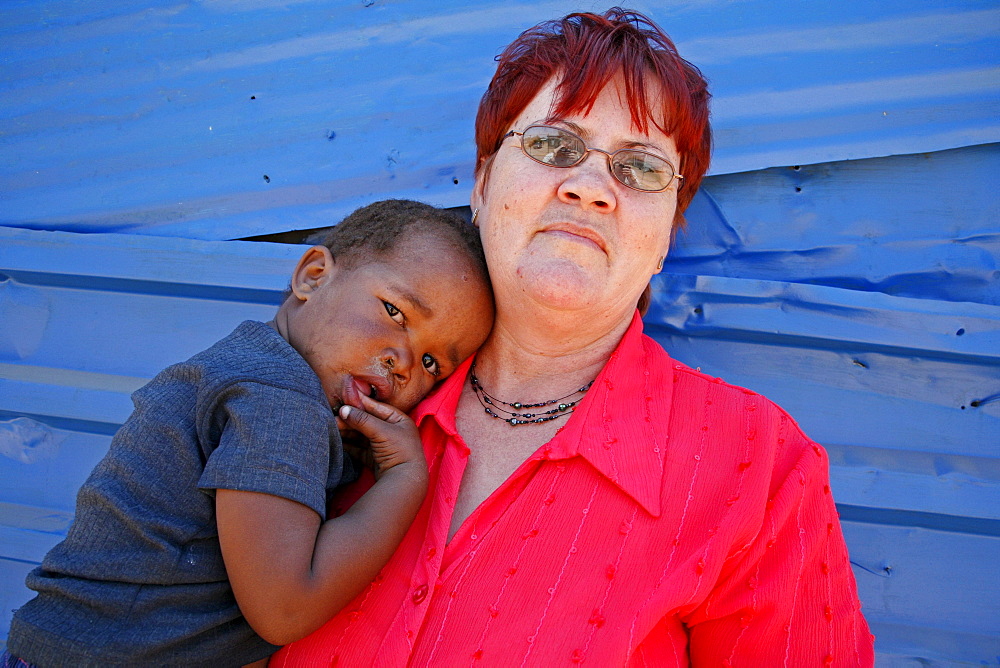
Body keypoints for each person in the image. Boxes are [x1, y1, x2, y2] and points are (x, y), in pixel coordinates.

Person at [272, 8, 875, 667]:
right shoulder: (347, 371)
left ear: (667, 235)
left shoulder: (755, 468)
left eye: (641, 168)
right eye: (554, 146)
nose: (590, 188)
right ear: (481, 184)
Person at [4, 200, 494, 666]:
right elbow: (286, 608)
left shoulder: (251, 370)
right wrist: (404, 479)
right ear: (314, 276)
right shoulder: (278, 400)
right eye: (395, 313)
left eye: (433, 362)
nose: (404, 361)